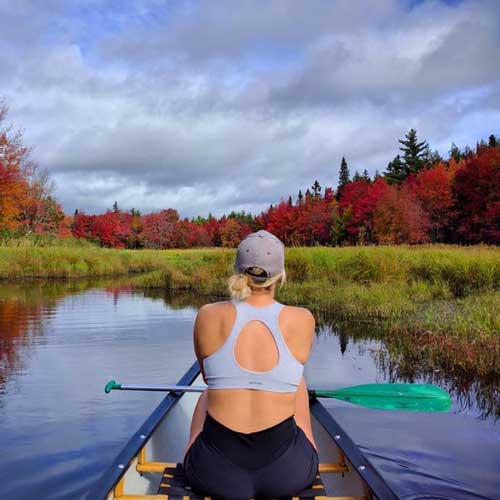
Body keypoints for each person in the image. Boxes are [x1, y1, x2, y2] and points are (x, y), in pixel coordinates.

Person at [183, 230, 319, 500]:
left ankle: (190, 450)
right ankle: (308, 447)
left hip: (214, 473)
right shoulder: (302, 319)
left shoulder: (208, 315)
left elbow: (209, 379)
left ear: (238, 271)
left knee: (208, 392)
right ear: (280, 275)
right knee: (298, 382)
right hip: (287, 474)